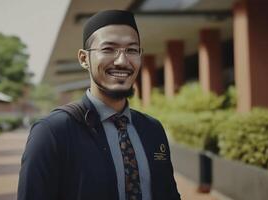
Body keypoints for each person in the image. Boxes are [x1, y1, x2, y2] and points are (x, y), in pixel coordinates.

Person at [18, 10, 180, 200]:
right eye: (108, 49)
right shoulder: (52, 132)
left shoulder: (152, 129)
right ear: (84, 59)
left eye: (132, 50)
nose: (122, 61)